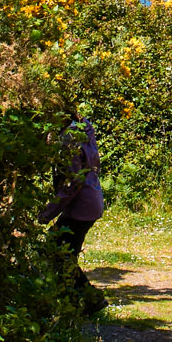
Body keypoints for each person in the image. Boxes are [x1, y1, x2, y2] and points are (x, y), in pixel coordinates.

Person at [39, 111, 107, 312]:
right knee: (62, 253)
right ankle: (77, 301)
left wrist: (49, 212)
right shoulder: (84, 129)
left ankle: (90, 300)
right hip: (91, 199)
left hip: (82, 206)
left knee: (58, 252)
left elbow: (72, 183)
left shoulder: (71, 139)